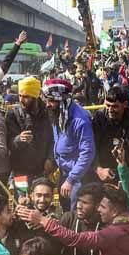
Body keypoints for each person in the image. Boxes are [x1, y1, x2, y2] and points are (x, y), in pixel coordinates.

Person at [43, 79, 95, 211]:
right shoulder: (59, 114)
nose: (47, 105)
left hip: (78, 178)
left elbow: (87, 153)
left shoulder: (80, 120)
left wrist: (71, 179)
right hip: (65, 174)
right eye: (46, 100)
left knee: (76, 215)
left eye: (51, 101)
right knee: (66, 212)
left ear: (62, 99)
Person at [92, 86, 129, 196]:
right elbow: (91, 148)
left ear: (125, 104)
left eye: (115, 106)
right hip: (106, 175)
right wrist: (98, 169)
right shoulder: (100, 117)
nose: (110, 110)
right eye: (108, 105)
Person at [5, 76, 54, 184]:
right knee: (22, 200)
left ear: (35, 97)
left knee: (42, 199)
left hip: (43, 170)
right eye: (20, 96)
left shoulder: (48, 113)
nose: (21, 100)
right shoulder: (13, 114)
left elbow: (53, 139)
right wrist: (18, 139)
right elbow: (8, 142)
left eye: (26, 96)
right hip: (20, 171)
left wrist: (51, 159)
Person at [58, 183, 103, 255]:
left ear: (97, 205)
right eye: (78, 201)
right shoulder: (68, 218)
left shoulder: (105, 225)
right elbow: (55, 247)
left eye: (85, 203)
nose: (79, 206)